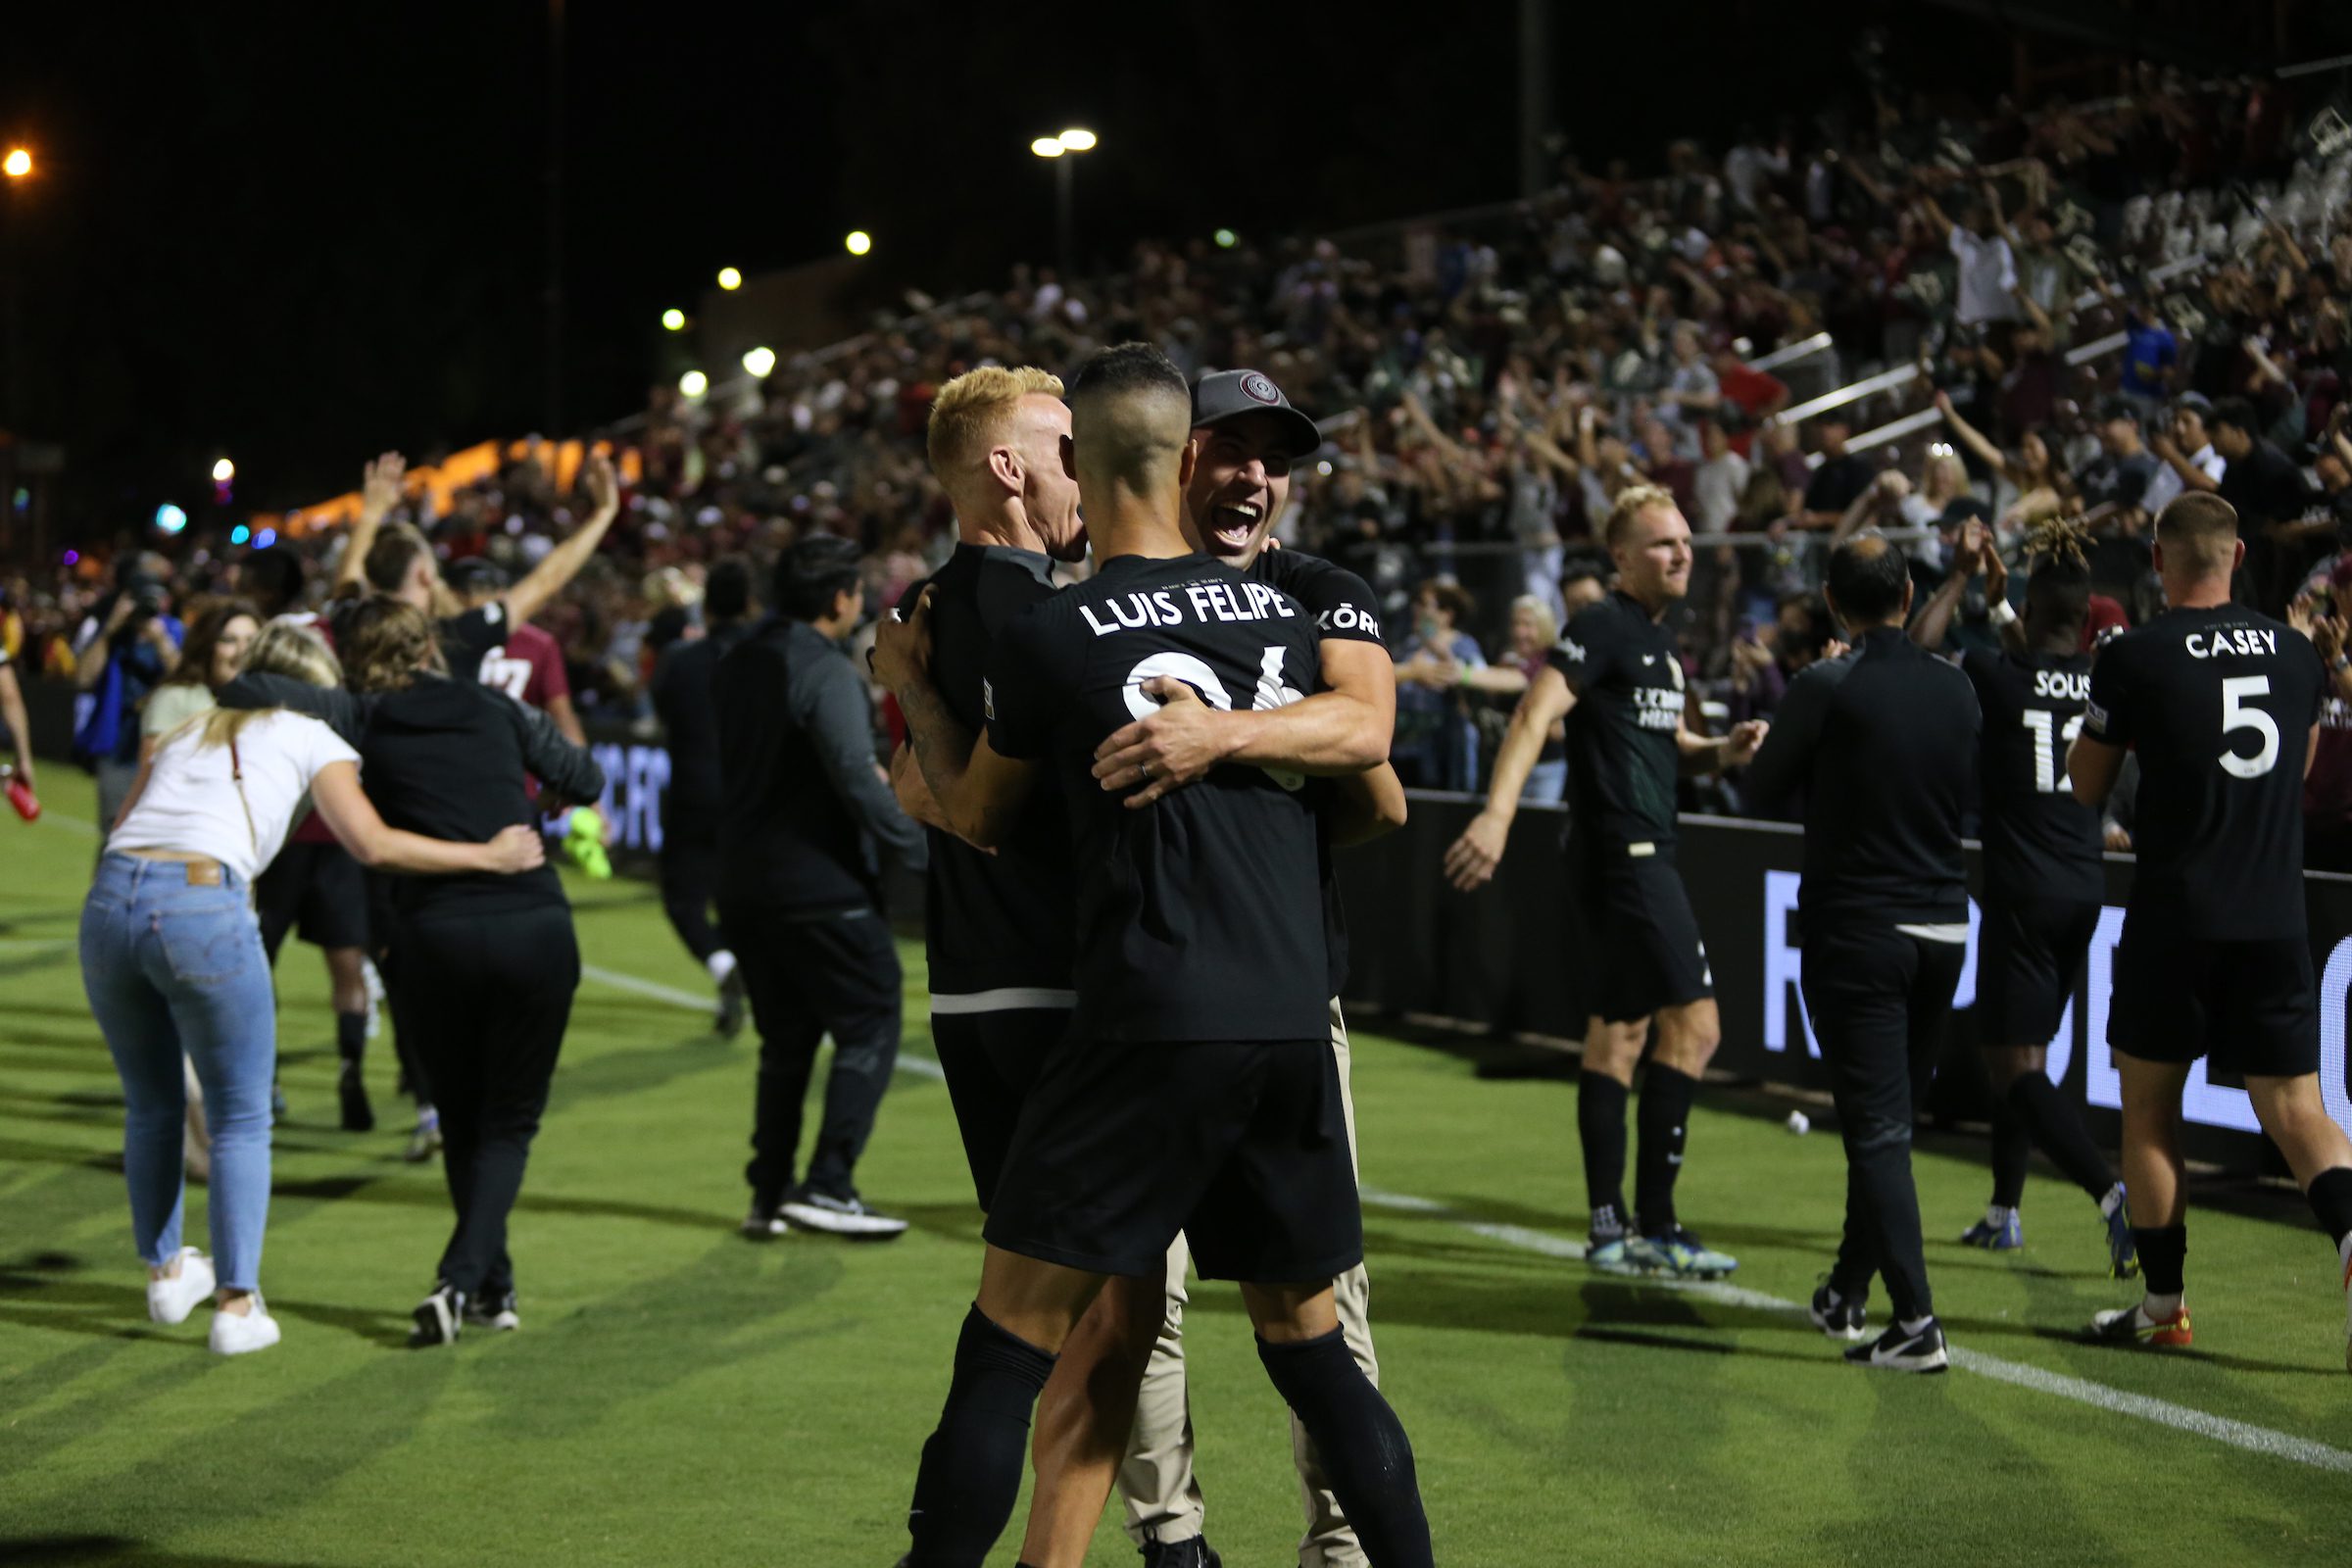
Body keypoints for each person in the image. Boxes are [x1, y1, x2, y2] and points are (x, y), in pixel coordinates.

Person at [877, 344, 1432, 1568]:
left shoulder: (1052, 629)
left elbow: (978, 811)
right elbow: (1379, 789)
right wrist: (1252, 755)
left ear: (1081, 457)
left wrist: (911, 690)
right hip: (1290, 1012)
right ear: (1184, 460)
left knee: (1010, 1341)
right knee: (1315, 1351)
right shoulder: (1288, 615)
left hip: (1148, 1016)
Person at [1069, 367, 1403, 1568]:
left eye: (1278, 458)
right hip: (1137, 999)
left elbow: (1377, 770)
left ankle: (1342, 1546)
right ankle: (1174, 1539)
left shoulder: (1320, 592)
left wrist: (1224, 739)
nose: (1257, 476)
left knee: (1324, 1301)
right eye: (1233, 450)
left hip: (1286, 994)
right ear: (1177, 458)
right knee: (1137, 1295)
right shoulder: (1099, 602)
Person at [84, 621, 545, 1356]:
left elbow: (125, 825)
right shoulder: (312, 733)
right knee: (241, 1117)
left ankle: (167, 1273)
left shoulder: (186, 729)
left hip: (111, 904)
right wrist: (488, 856)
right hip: (200, 899)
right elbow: (372, 844)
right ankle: (237, 1305)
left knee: (151, 1103)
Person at [1445, 486, 1768, 1279]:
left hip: (1629, 854)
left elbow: (1670, 745)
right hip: (1626, 856)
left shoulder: (1658, 640)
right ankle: (1657, 1224)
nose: (1682, 553)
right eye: (1663, 544)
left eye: (1685, 541)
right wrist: (1496, 816)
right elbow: (1534, 712)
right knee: (1697, 1028)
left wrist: (1722, 752)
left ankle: (1608, 1229)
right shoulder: (1601, 626)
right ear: (1622, 557)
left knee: (1618, 1036)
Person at [2066, 493, 2352, 1359]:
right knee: (2298, 1109)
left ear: (2158, 559)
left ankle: (2164, 1309)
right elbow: (2298, 769)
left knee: (2150, 1111)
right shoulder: (2297, 653)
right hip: (2273, 915)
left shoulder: (2134, 654)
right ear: (2238, 556)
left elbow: (2086, 785)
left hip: (2175, 917)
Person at [1744, 531, 1980, 1372]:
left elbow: (1760, 791)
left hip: (1860, 930)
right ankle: (1847, 1288)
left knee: (1876, 1127)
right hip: (1945, 926)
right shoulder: (1956, 687)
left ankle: (1916, 1321)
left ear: (1833, 604)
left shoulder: (1824, 685)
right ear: (1909, 595)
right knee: (1888, 1122)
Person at [1910, 517, 2136, 1274]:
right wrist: (2009, 608)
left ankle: (2111, 1194)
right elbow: (2042, 665)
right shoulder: (2105, 680)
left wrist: (1963, 579)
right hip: (2085, 891)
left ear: (2033, 610)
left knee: (2012, 1064)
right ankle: (2004, 1212)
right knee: (2026, 1055)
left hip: (2021, 891)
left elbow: (1915, 651)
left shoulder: (1994, 672)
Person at [716, 533, 924, 1240]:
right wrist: (923, 853)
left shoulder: (734, 661)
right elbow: (858, 781)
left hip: (741, 881)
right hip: (816, 882)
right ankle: (830, 1183)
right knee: (872, 1013)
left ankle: (768, 1193)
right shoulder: (825, 669)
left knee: (786, 1040)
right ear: (842, 598)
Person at [648, 556, 758, 1037]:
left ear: (707, 608)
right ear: (749, 605)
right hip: (752, 801)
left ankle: (723, 965)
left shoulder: (680, 660)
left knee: (684, 900)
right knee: (744, 901)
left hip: (694, 796)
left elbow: (661, 707)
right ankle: (747, 973)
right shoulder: (768, 659)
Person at [74, 554, 184, 845]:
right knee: (114, 827)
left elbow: (187, 681)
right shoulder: (114, 633)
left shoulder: (174, 631)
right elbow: (84, 679)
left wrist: (161, 641)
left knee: (155, 832)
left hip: (163, 744)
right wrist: (111, 629)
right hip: (117, 742)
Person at [1391, 581, 1483, 791]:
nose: (1416, 609)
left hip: (1443, 750)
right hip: (1404, 746)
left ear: (1446, 614)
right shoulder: (1408, 645)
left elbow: (1475, 686)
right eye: (1416, 603)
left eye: (1424, 604)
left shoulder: (1463, 646)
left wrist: (1437, 651)